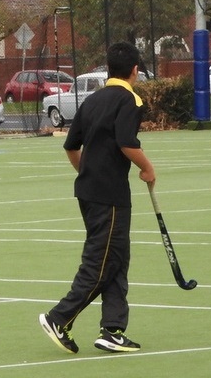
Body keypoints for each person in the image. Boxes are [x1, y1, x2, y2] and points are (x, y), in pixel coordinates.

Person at [39, 41, 155, 354]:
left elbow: (71, 146)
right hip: (110, 195)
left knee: (116, 258)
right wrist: (148, 168)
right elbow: (126, 142)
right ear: (134, 70)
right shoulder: (130, 98)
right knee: (101, 262)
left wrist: (86, 172)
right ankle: (59, 317)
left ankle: (113, 329)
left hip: (90, 191)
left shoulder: (93, 99)